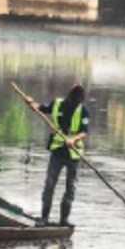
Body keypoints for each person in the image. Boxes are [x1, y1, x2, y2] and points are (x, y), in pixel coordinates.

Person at [24, 84, 89, 227]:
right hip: (57, 152)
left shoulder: (83, 110)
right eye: (75, 100)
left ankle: (64, 219)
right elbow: (40, 108)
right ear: (69, 97)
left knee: (70, 188)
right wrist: (31, 103)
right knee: (49, 185)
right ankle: (44, 218)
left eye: (79, 101)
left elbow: (84, 132)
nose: (76, 103)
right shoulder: (58, 104)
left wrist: (73, 139)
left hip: (74, 154)